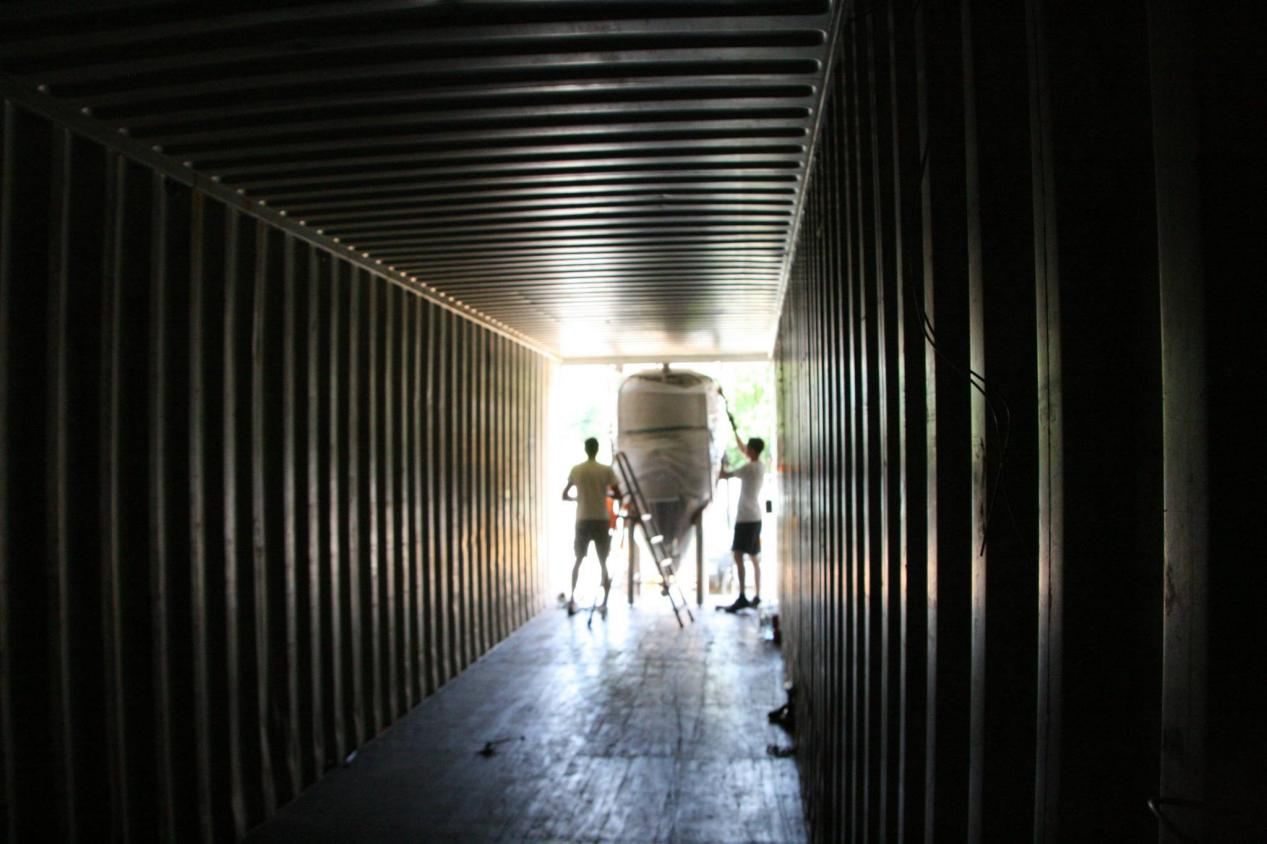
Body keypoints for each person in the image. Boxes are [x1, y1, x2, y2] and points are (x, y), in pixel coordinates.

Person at [561, 437, 620, 616]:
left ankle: (572, 600)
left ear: (585, 449)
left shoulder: (577, 470)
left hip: (583, 519)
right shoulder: (605, 470)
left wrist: (578, 498)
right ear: (597, 449)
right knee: (603, 562)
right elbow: (617, 494)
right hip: (601, 519)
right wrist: (604, 493)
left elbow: (564, 495)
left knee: (578, 560)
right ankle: (604, 603)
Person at [719, 431, 766, 612]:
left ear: (752, 451)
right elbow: (743, 449)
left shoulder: (749, 468)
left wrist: (720, 463)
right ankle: (757, 595)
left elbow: (724, 475)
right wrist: (734, 431)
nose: (745, 450)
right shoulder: (759, 466)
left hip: (745, 518)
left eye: (748, 449)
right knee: (754, 557)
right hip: (755, 517)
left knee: (738, 555)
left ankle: (742, 597)